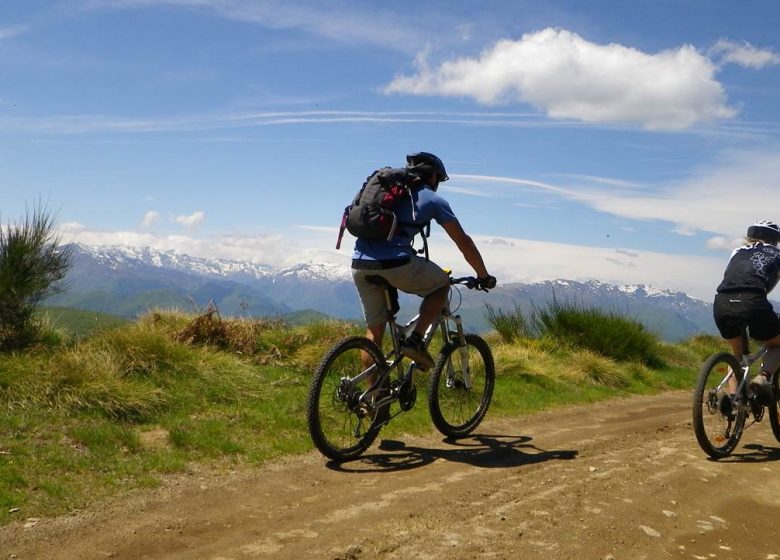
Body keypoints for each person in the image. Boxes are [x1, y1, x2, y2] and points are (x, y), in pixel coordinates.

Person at [351, 151, 496, 370]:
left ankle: (374, 398)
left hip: (359, 263)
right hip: (395, 263)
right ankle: (416, 341)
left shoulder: (391, 192)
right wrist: (483, 276)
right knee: (441, 285)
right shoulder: (432, 198)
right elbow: (464, 242)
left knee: (373, 335)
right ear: (433, 177)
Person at [713, 220, 780, 404]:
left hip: (721, 302)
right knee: (777, 343)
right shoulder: (777, 254)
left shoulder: (737, 251)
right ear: (775, 239)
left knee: (738, 355)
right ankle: (763, 377)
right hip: (753, 301)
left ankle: (735, 401)